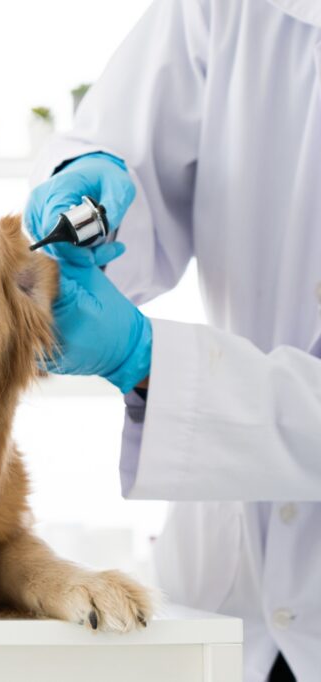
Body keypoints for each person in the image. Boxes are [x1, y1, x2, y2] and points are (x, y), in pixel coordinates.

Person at [24, 0, 321, 680]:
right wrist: (88, 188)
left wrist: (148, 362)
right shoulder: (229, 10)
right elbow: (125, 158)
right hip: (228, 605)